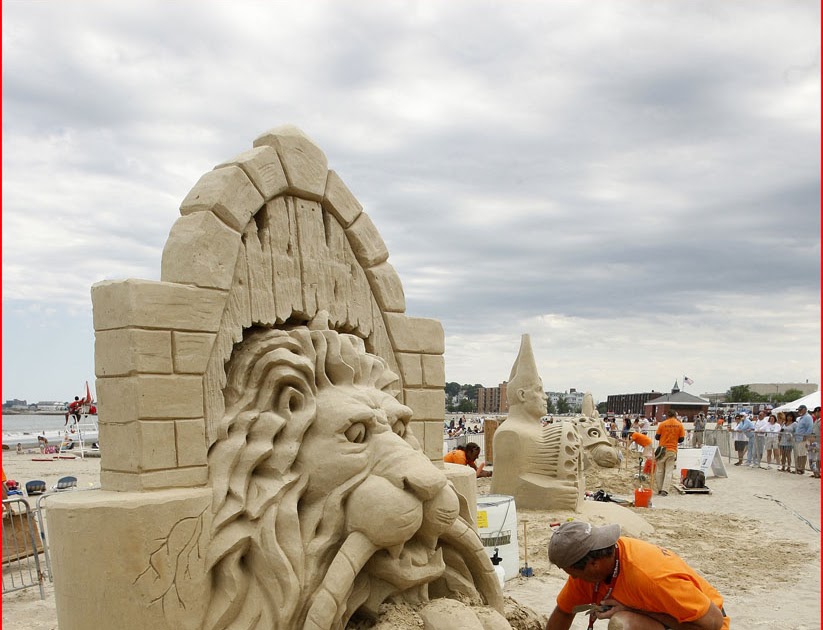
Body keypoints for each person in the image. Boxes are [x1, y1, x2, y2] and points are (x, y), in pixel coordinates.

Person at [545, 521, 729, 630]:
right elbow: (564, 611)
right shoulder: (593, 563)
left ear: (593, 564)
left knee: (622, 623)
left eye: (572, 573)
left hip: (703, 623)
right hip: (664, 620)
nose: (573, 579)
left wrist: (635, 610)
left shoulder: (652, 577)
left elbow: (713, 622)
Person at [654, 410, 685, 496]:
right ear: (675, 415)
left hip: (662, 449)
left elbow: (657, 437)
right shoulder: (679, 425)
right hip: (672, 449)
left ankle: (660, 489)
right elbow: (681, 439)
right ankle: (665, 490)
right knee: (669, 471)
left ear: (668, 415)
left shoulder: (662, 424)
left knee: (659, 470)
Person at [793, 404, 814, 475]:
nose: (799, 411)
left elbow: (810, 427)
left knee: (803, 454)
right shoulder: (801, 418)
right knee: (799, 454)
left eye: (800, 410)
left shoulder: (808, 417)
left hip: (803, 439)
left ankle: (802, 468)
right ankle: (798, 467)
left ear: (805, 409)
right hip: (798, 439)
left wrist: (806, 436)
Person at [806, 406, 821, 479]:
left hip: (819, 442)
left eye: (816, 412)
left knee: (818, 459)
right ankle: (816, 472)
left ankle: (818, 473)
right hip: (814, 442)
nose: (815, 414)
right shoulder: (816, 420)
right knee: (813, 459)